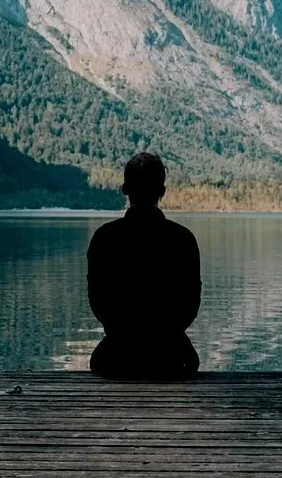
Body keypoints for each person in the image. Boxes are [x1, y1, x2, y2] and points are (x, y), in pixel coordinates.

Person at [85, 152, 201, 380]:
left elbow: (98, 301)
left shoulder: (104, 238)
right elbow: (190, 305)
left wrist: (122, 333)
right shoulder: (183, 239)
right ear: (163, 191)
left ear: (124, 189)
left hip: (117, 358)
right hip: (170, 359)